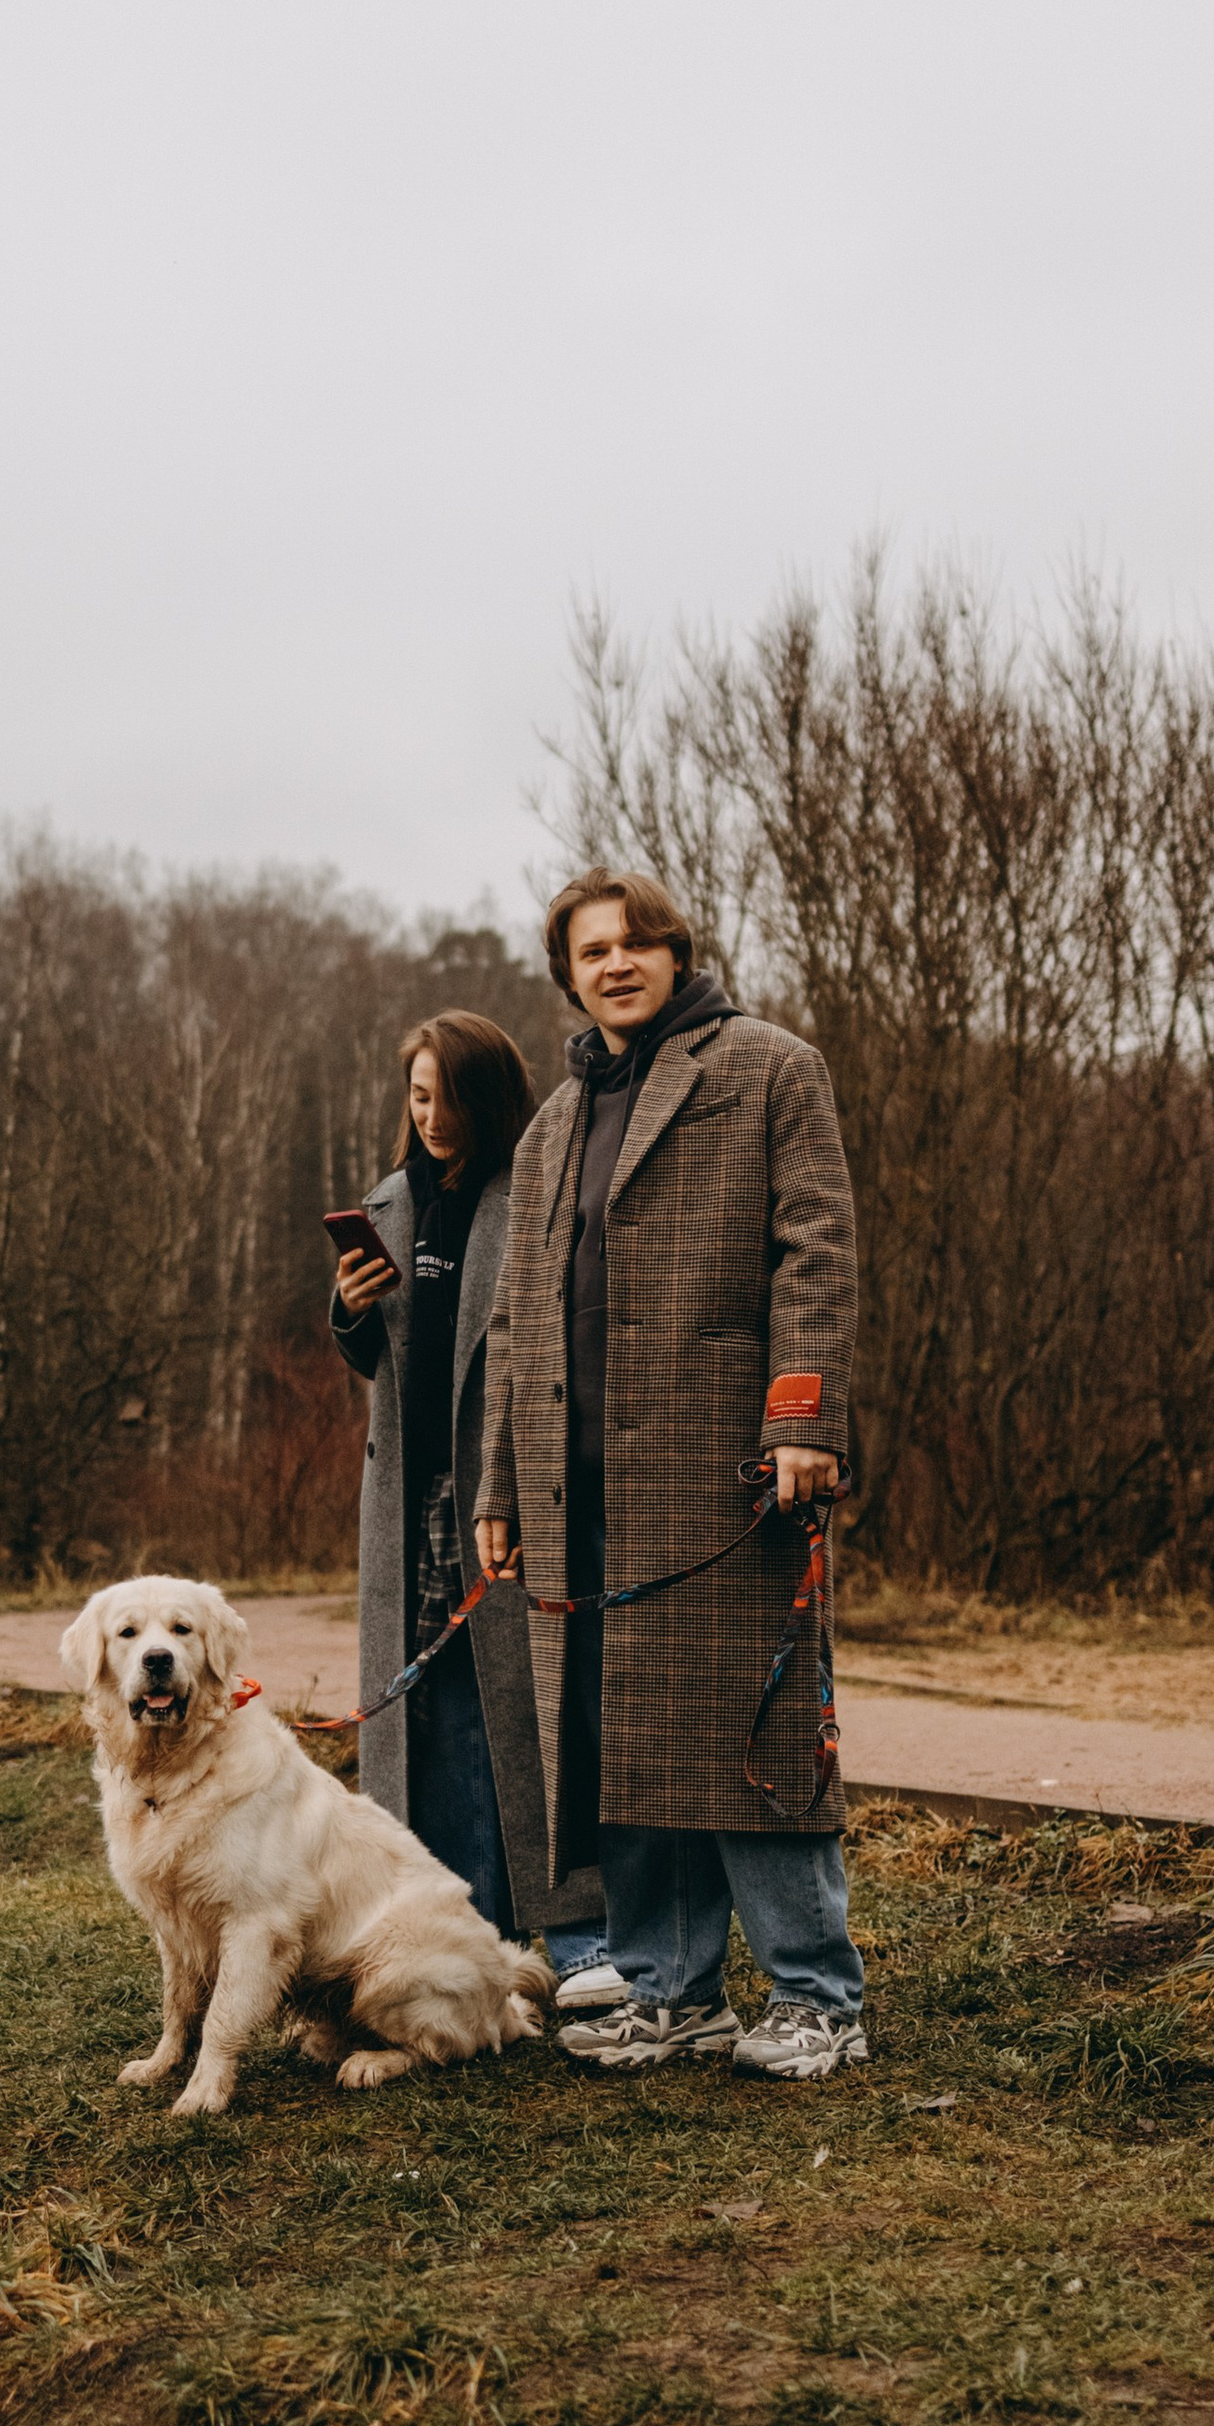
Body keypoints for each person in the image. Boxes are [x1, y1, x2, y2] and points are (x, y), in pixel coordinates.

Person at [476, 873, 866, 2079]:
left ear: (675, 953)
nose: (616, 964)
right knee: (623, 1750)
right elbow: (515, 1316)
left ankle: (816, 1999)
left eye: (636, 943)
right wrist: (500, 1488)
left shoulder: (768, 1067)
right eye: (592, 951)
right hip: (578, 1494)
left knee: (755, 1737)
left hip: (726, 1478)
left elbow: (817, 1246)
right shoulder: (555, 1120)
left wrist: (801, 1417)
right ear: (569, 975)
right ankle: (671, 1992)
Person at [330, 1011, 590, 1963]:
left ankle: (522, 1926)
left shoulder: (531, 1196)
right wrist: (348, 1309)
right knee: (423, 1705)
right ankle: (427, 1928)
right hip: (409, 1498)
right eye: (419, 1097)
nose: (433, 1118)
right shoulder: (392, 1202)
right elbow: (379, 1360)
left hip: (502, 1488)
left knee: (503, 1705)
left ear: (493, 1099)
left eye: (452, 1099)